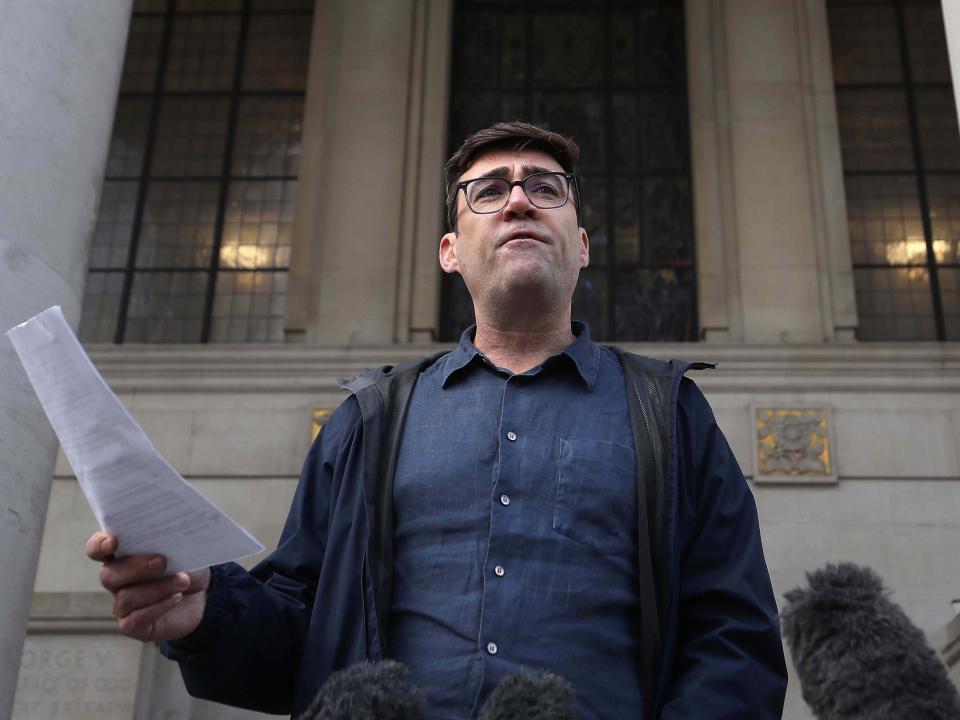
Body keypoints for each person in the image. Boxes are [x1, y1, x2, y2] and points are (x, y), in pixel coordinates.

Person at [86, 121, 787, 719]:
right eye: (489, 191)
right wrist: (206, 611)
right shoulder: (369, 420)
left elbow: (735, 638)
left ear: (581, 246)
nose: (519, 200)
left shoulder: (667, 415)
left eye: (547, 189)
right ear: (450, 251)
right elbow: (303, 638)